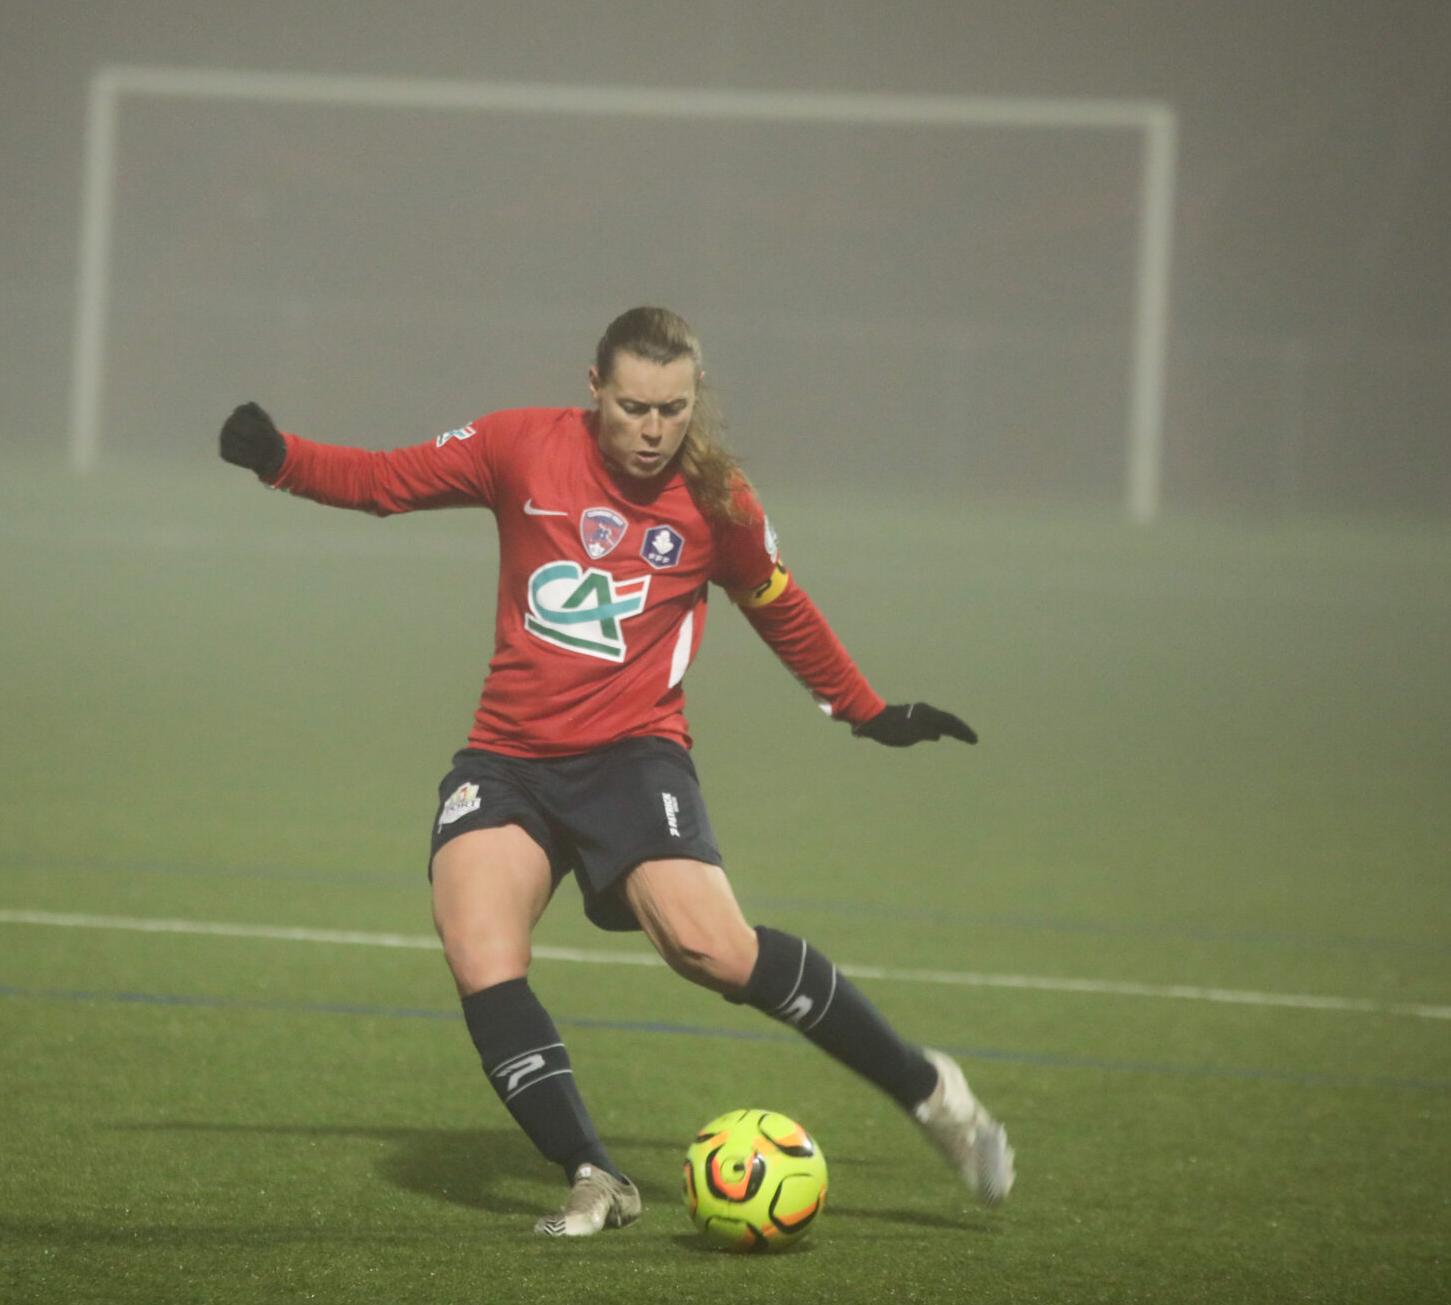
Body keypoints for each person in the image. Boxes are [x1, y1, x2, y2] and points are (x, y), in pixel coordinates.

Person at [217, 305, 1011, 1238]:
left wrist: (865, 708)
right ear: (594, 388)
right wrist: (282, 458)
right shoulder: (519, 446)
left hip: (634, 759)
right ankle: (595, 1173)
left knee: (713, 948)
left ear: (693, 400)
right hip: (508, 757)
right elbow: (386, 480)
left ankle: (933, 1094)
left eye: (673, 409)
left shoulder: (719, 501)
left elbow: (778, 606)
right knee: (477, 941)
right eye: (634, 405)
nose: (652, 429)